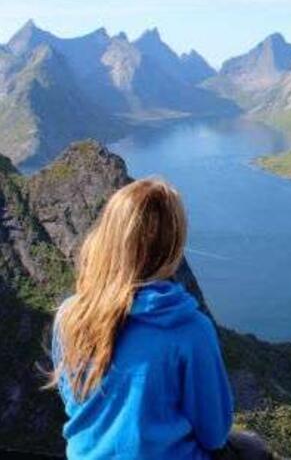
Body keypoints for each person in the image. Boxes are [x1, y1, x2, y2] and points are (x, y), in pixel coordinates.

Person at [46, 178, 236, 459]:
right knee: (251, 449)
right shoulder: (190, 329)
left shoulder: (71, 315)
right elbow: (214, 433)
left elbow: (74, 400)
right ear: (173, 246)